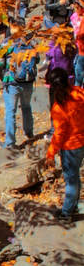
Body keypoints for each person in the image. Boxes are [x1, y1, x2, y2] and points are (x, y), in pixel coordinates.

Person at [0, 18, 39, 149]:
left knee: (11, 111)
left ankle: (10, 142)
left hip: (12, 82)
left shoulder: (8, 42)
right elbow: (37, 59)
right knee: (26, 106)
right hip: (28, 81)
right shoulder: (31, 41)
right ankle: (29, 132)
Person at [46, 68, 84, 219]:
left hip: (70, 147)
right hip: (82, 141)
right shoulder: (79, 93)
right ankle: (73, 206)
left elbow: (59, 134)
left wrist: (50, 153)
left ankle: (67, 212)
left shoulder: (59, 107)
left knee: (71, 180)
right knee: (75, 178)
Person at [70, 0, 84, 87]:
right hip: (79, 50)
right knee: (77, 76)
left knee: (79, 77)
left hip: (82, 51)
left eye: (77, 7)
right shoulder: (74, 16)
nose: (75, 9)